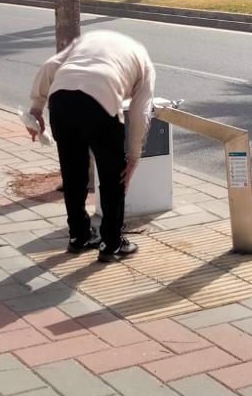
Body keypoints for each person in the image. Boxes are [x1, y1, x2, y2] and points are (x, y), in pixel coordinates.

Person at [28, 30, 156, 263]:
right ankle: (112, 243)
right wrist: (134, 157)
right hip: (100, 100)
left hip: (61, 99)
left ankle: (79, 236)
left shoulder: (89, 39)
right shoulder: (144, 62)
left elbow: (50, 65)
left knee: (73, 172)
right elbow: (139, 113)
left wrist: (36, 107)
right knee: (111, 177)